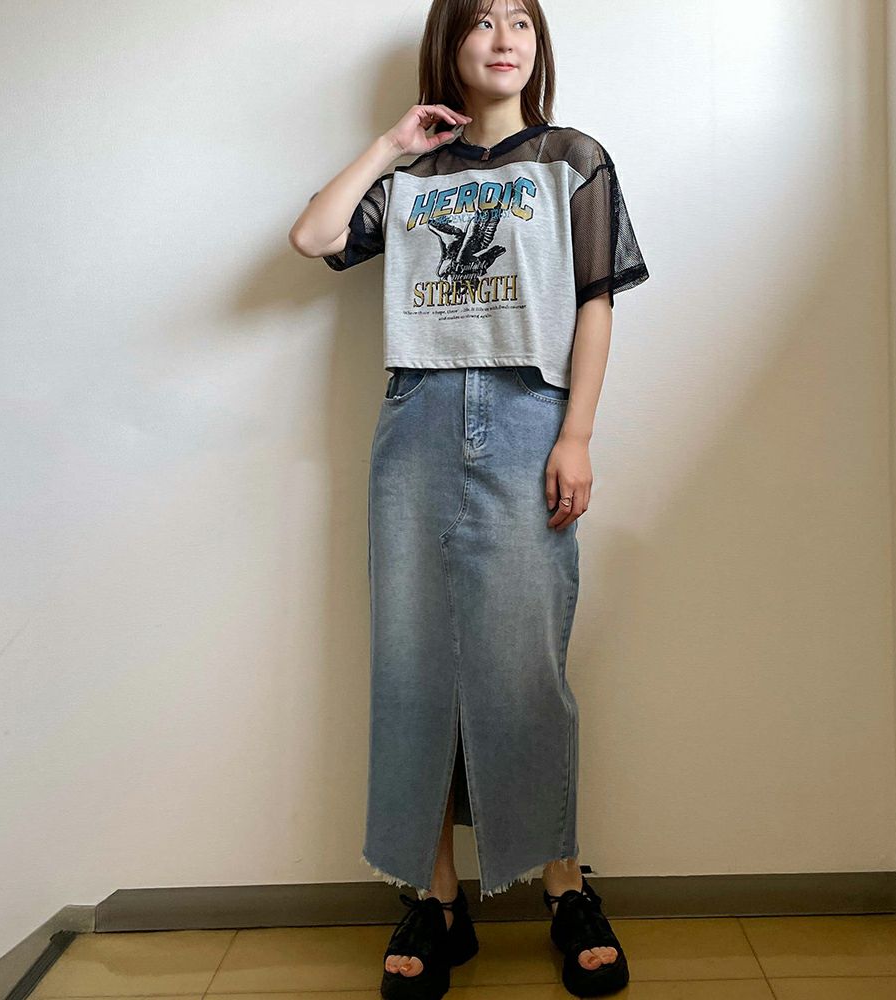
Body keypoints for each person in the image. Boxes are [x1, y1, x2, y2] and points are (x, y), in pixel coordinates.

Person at [290, 0, 649, 995]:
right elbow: (314, 235)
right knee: (411, 660)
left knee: (525, 661)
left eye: (520, 21)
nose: (503, 38)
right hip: (417, 415)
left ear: (538, 45)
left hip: (531, 412)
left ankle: (564, 885)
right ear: (448, 45)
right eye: (481, 21)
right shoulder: (414, 175)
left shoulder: (573, 158)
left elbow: (595, 301)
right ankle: (436, 898)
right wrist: (391, 143)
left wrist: (576, 433)